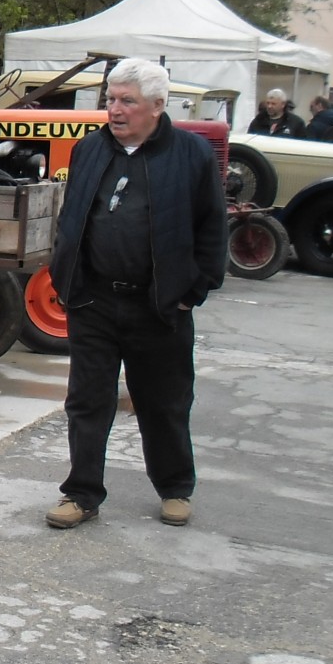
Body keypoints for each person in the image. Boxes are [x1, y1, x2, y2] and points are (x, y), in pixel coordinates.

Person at [44, 58, 226, 530]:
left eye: (128, 101)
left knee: (164, 402)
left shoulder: (190, 155)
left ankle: (175, 488)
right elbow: (71, 217)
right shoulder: (89, 150)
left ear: (158, 106)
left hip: (159, 305)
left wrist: (192, 292)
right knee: (86, 401)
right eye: (111, 100)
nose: (115, 110)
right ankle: (81, 494)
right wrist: (67, 278)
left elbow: (211, 229)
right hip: (94, 302)